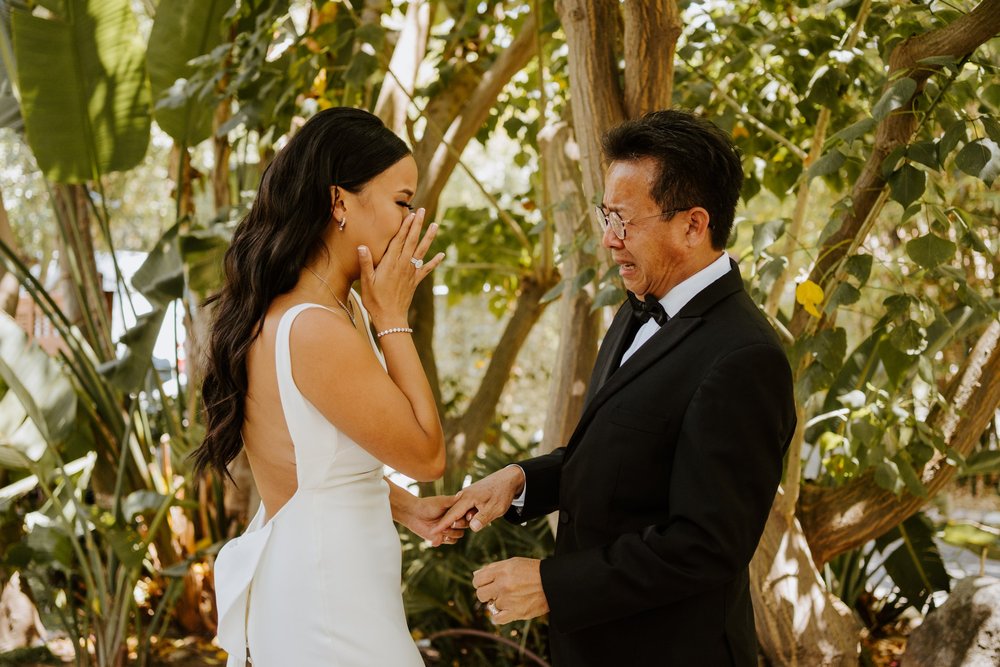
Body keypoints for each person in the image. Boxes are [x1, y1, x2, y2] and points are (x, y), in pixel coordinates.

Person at [434, 110, 797, 666]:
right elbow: (622, 454)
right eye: (607, 216)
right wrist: (520, 480)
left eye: (624, 220)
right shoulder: (637, 309)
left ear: (693, 225)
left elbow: (706, 546)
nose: (608, 239)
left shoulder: (745, 357)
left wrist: (553, 584)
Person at [192, 107, 466, 666]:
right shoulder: (315, 326)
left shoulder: (314, 311)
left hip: (326, 586)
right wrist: (392, 315)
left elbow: (312, 469)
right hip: (327, 603)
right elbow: (428, 454)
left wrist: (406, 509)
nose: (411, 221)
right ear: (340, 202)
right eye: (402, 202)